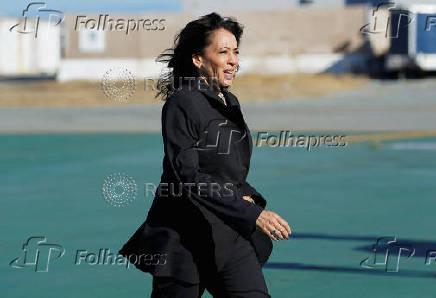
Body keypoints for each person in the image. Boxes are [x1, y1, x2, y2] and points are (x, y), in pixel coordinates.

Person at [119, 12, 291, 298]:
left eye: (236, 51)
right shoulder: (182, 103)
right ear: (198, 59)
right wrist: (250, 212)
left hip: (229, 234)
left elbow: (228, 171)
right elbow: (187, 176)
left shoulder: (228, 101)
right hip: (186, 239)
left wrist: (246, 197)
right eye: (223, 52)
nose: (233, 59)